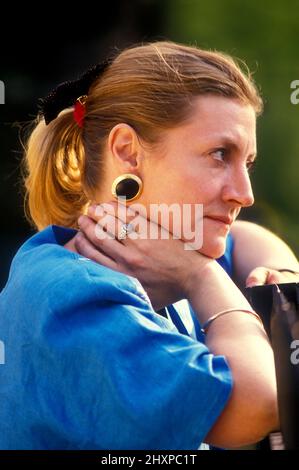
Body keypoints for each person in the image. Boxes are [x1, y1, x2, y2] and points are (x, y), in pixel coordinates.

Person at [0, 40, 298, 451]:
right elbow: (257, 403)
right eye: (218, 154)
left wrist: (283, 277)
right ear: (128, 152)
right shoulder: (70, 297)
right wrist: (202, 277)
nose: (244, 194)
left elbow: (252, 240)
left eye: (246, 162)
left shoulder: (164, 255)